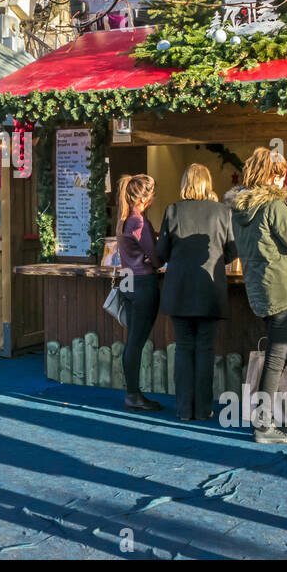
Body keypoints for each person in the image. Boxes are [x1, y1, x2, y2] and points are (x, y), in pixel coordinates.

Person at [229, 148, 287, 443]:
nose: (283, 181)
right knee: (276, 359)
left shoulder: (239, 208)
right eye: (280, 175)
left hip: (259, 287)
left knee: (272, 356)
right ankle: (264, 425)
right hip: (282, 289)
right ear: (272, 175)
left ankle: (266, 419)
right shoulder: (274, 206)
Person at [155, 163, 235, 421]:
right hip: (210, 289)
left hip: (179, 289)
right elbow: (232, 251)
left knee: (183, 348)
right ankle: (203, 409)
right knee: (205, 349)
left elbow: (161, 253)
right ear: (207, 182)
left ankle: (183, 409)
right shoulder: (223, 211)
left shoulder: (173, 210)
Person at [116, 173, 162, 412]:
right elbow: (155, 257)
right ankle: (133, 395)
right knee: (136, 342)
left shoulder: (124, 219)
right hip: (143, 282)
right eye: (153, 193)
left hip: (127, 281)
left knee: (131, 340)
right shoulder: (139, 222)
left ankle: (132, 392)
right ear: (146, 197)